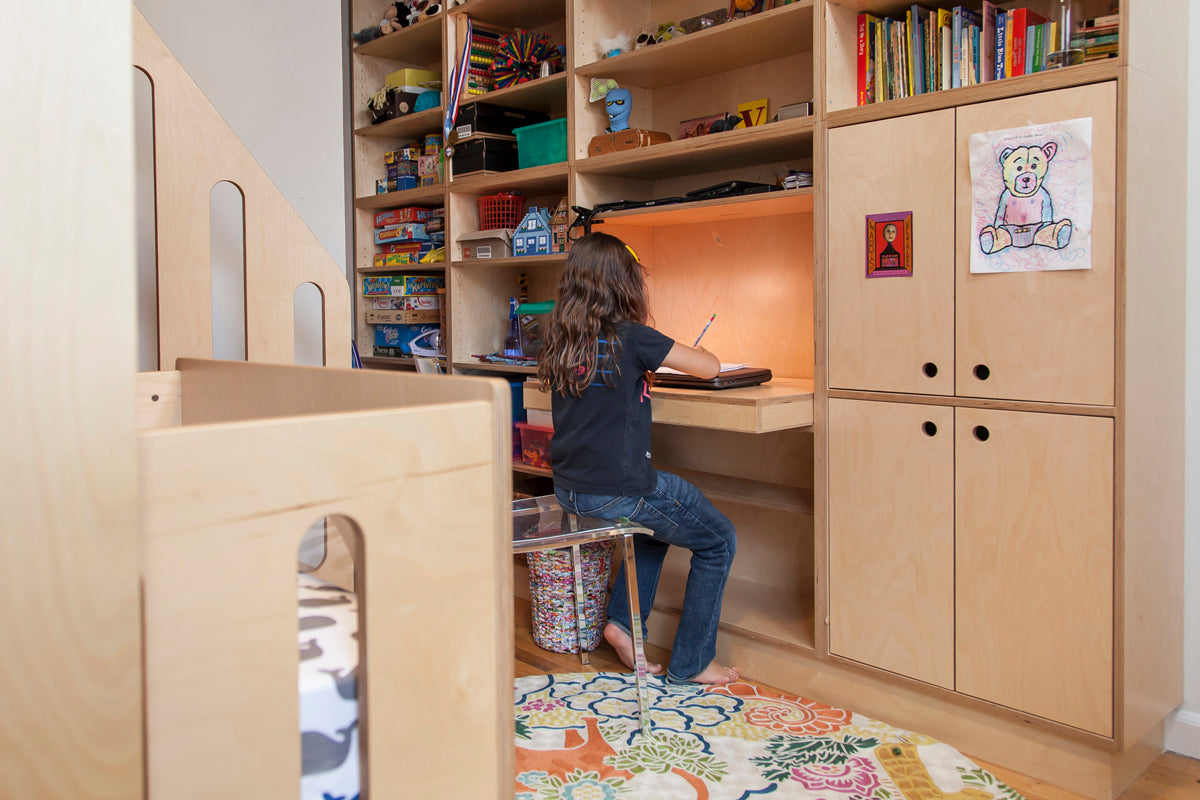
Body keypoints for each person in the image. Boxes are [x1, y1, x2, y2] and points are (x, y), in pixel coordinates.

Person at [536, 231, 739, 686]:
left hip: (571, 488)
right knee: (719, 540)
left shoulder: (560, 338)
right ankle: (694, 661)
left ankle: (623, 625)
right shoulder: (633, 337)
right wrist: (703, 351)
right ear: (625, 284)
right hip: (616, 492)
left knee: (655, 527)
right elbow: (709, 367)